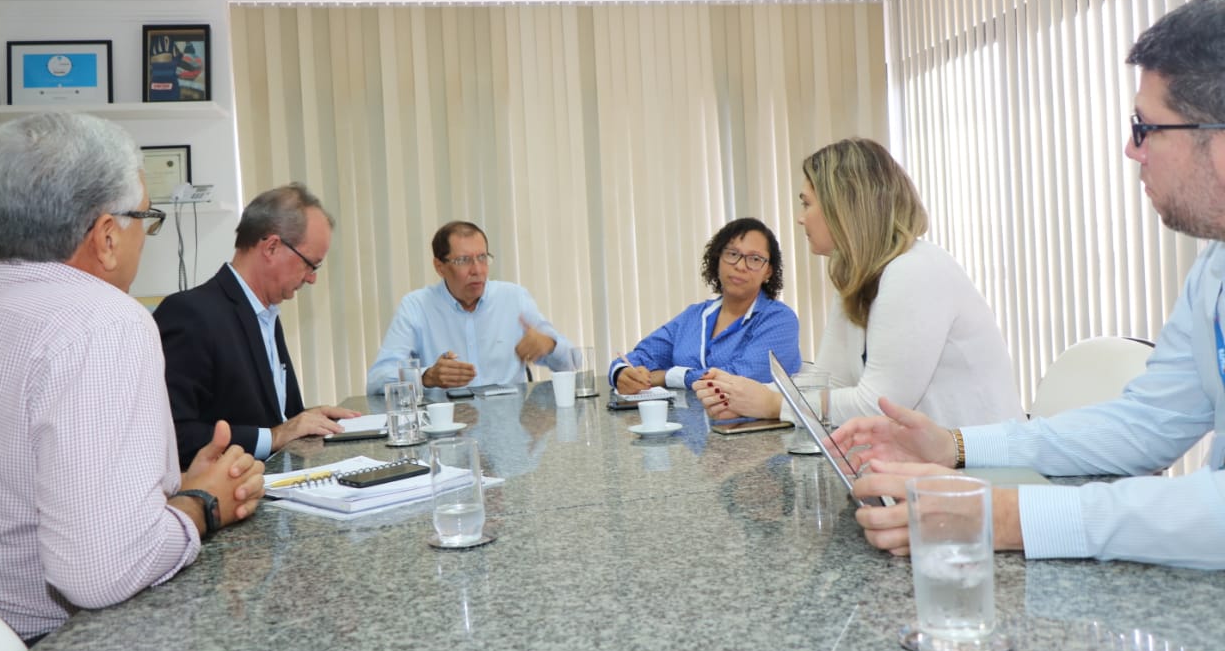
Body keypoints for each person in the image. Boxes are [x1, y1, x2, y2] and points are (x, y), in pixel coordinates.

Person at [838, 0, 1225, 570]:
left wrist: (1012, 517)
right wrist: (956, 446)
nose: (1130, 149)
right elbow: (1146, 423)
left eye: (1144, 127)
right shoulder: (1215, 263)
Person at [0, 113, 265, 643]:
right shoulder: (105, 321)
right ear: (108, 236)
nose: (146, 234)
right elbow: (98, 572)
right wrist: (203, 505)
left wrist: (176, 488)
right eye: (146, 216)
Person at [693, 139, 1022, 427]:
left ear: (843, 206)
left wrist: (774, 404)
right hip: (921, 467)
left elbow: (880, 406)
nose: (800, 217)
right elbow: (832, 382)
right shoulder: (856, 275)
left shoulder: (915, 270)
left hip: (980, 473)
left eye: (807, 203)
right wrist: (740, 393)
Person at [154, 183, 359, 469]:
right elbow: (174, 435)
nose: (312, 278)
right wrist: (275, 435)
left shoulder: (265, 314)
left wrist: (306, 419)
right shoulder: (191, 313)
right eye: (310, 264)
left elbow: (261, 418)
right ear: (272, 247)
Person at [366, 220, 575, 393]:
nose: (477, 270)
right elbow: (377, 380)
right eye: (464, 260)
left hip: (509, 428)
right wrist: (426, 376)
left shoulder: (514, 297)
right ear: (440, 267)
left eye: (482, 258)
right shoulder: (416, 306)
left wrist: (550, 345)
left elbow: (572, 363)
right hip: (446, 429)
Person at [608, 217, 802, 394]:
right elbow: (643, 355)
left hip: (750, 430)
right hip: (688, 429)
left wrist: (668, 377)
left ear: (768, 272)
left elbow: (744, 376)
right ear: (717, 259)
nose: (741, 266)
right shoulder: (693, 316)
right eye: (733, 254)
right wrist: (623, 374)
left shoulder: (779, 320)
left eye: (755, 259)